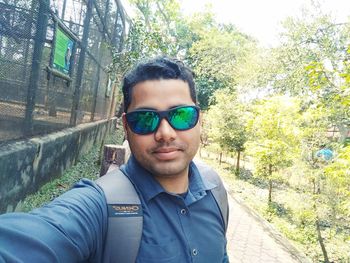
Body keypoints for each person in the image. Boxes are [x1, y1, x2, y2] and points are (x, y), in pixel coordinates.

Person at [0, 57, 229, 262]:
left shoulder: (215, 192)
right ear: (126, 127)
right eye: (145, 120)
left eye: (181, 115)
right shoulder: (100, 208)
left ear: (200, 121)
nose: (165, 133)